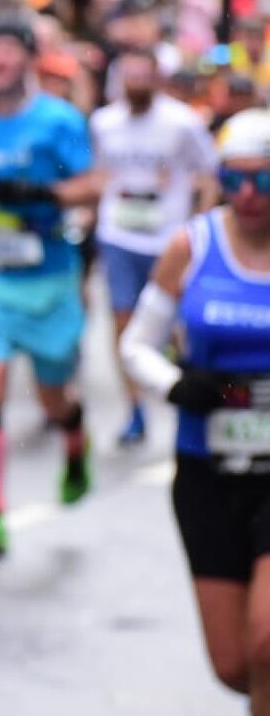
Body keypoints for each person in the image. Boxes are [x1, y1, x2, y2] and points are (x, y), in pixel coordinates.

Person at [119, 108, 270, 715]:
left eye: (264, 181)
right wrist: (176, 385)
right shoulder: (193, 244)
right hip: (207, 471)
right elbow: (136, 346)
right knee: (235, 666)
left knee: (267, 644)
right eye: (234, 182)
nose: (249, 196)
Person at [0, 16, 101, 550]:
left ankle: (74, 441)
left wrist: (47, 196)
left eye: (8, 51)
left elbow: (92, 186)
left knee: (52, 394)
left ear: (28, 59)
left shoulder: (58, 120)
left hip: (48, 279)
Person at [91, 47, 218, 446]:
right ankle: (135, 408)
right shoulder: (103, 122)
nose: (137, 84)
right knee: (123, 322)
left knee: (179, 325)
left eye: (144, 76)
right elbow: (97, 173)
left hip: (169, 238)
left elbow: (209, 172)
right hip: (119, 234)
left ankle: (184, 391)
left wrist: (204, 224)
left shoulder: (181, 122)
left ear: (157, 79)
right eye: (130, 76)